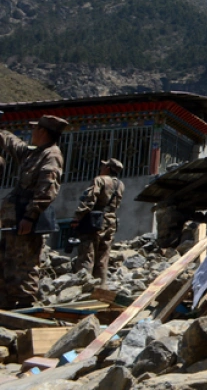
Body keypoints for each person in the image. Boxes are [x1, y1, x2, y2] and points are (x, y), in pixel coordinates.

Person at [0, 115, 66, 309]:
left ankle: (25, 307)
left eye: (35, 129)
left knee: (24, 265)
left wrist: (31, 216)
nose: (32, 133)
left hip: (26, 219)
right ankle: (6, 308)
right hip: (14, 219)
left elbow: (47, 189)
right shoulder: (35, 153)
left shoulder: (51, 155)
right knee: (6, 263)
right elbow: (15, 145)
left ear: (43, 132)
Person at [72, 157, 125, 285]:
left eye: (103, 166)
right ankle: (101, 287)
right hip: (111, 221)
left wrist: (77, 217)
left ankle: (83, 287)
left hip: (95, 221)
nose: (101, 168)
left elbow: (89, 200)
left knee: (87, 254)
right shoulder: (120, 185)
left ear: (107, 168)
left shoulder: (99, 180)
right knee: (103, 257)